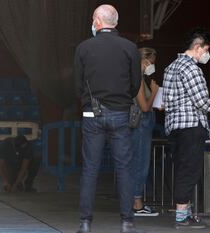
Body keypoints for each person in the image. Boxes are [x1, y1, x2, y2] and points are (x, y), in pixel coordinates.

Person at [74, 4, 143, 233]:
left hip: (92, 114)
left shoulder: (84, 48)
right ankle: (127, 222)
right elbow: (135, 85)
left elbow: (77, 85)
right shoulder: (130, 48)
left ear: (96, 20)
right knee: (124, 168)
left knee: (90, 169)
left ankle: (85, 222)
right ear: (116, 21)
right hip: (121, 113)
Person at [163, 28, 210, 229]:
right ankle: (182, 216)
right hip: (191, 127)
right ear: (198, 48)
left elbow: (166, 101)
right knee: (190, 170)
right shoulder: (191, 69)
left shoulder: (170, 68)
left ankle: (186, 212)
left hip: (174, 127)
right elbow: (202, 102)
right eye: (206, 50)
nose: (207, 55)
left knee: (182, 168)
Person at [132, 47, 159, 216]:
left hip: (142, 124)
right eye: (151, 62)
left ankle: (135, 201)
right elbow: (144, 107)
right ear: (144, 61)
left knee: (137, 162)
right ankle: (136, 203)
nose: (152, 66)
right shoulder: (138, 79)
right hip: (141, 124)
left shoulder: (136, 77)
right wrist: (155, 91)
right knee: (141, 163)